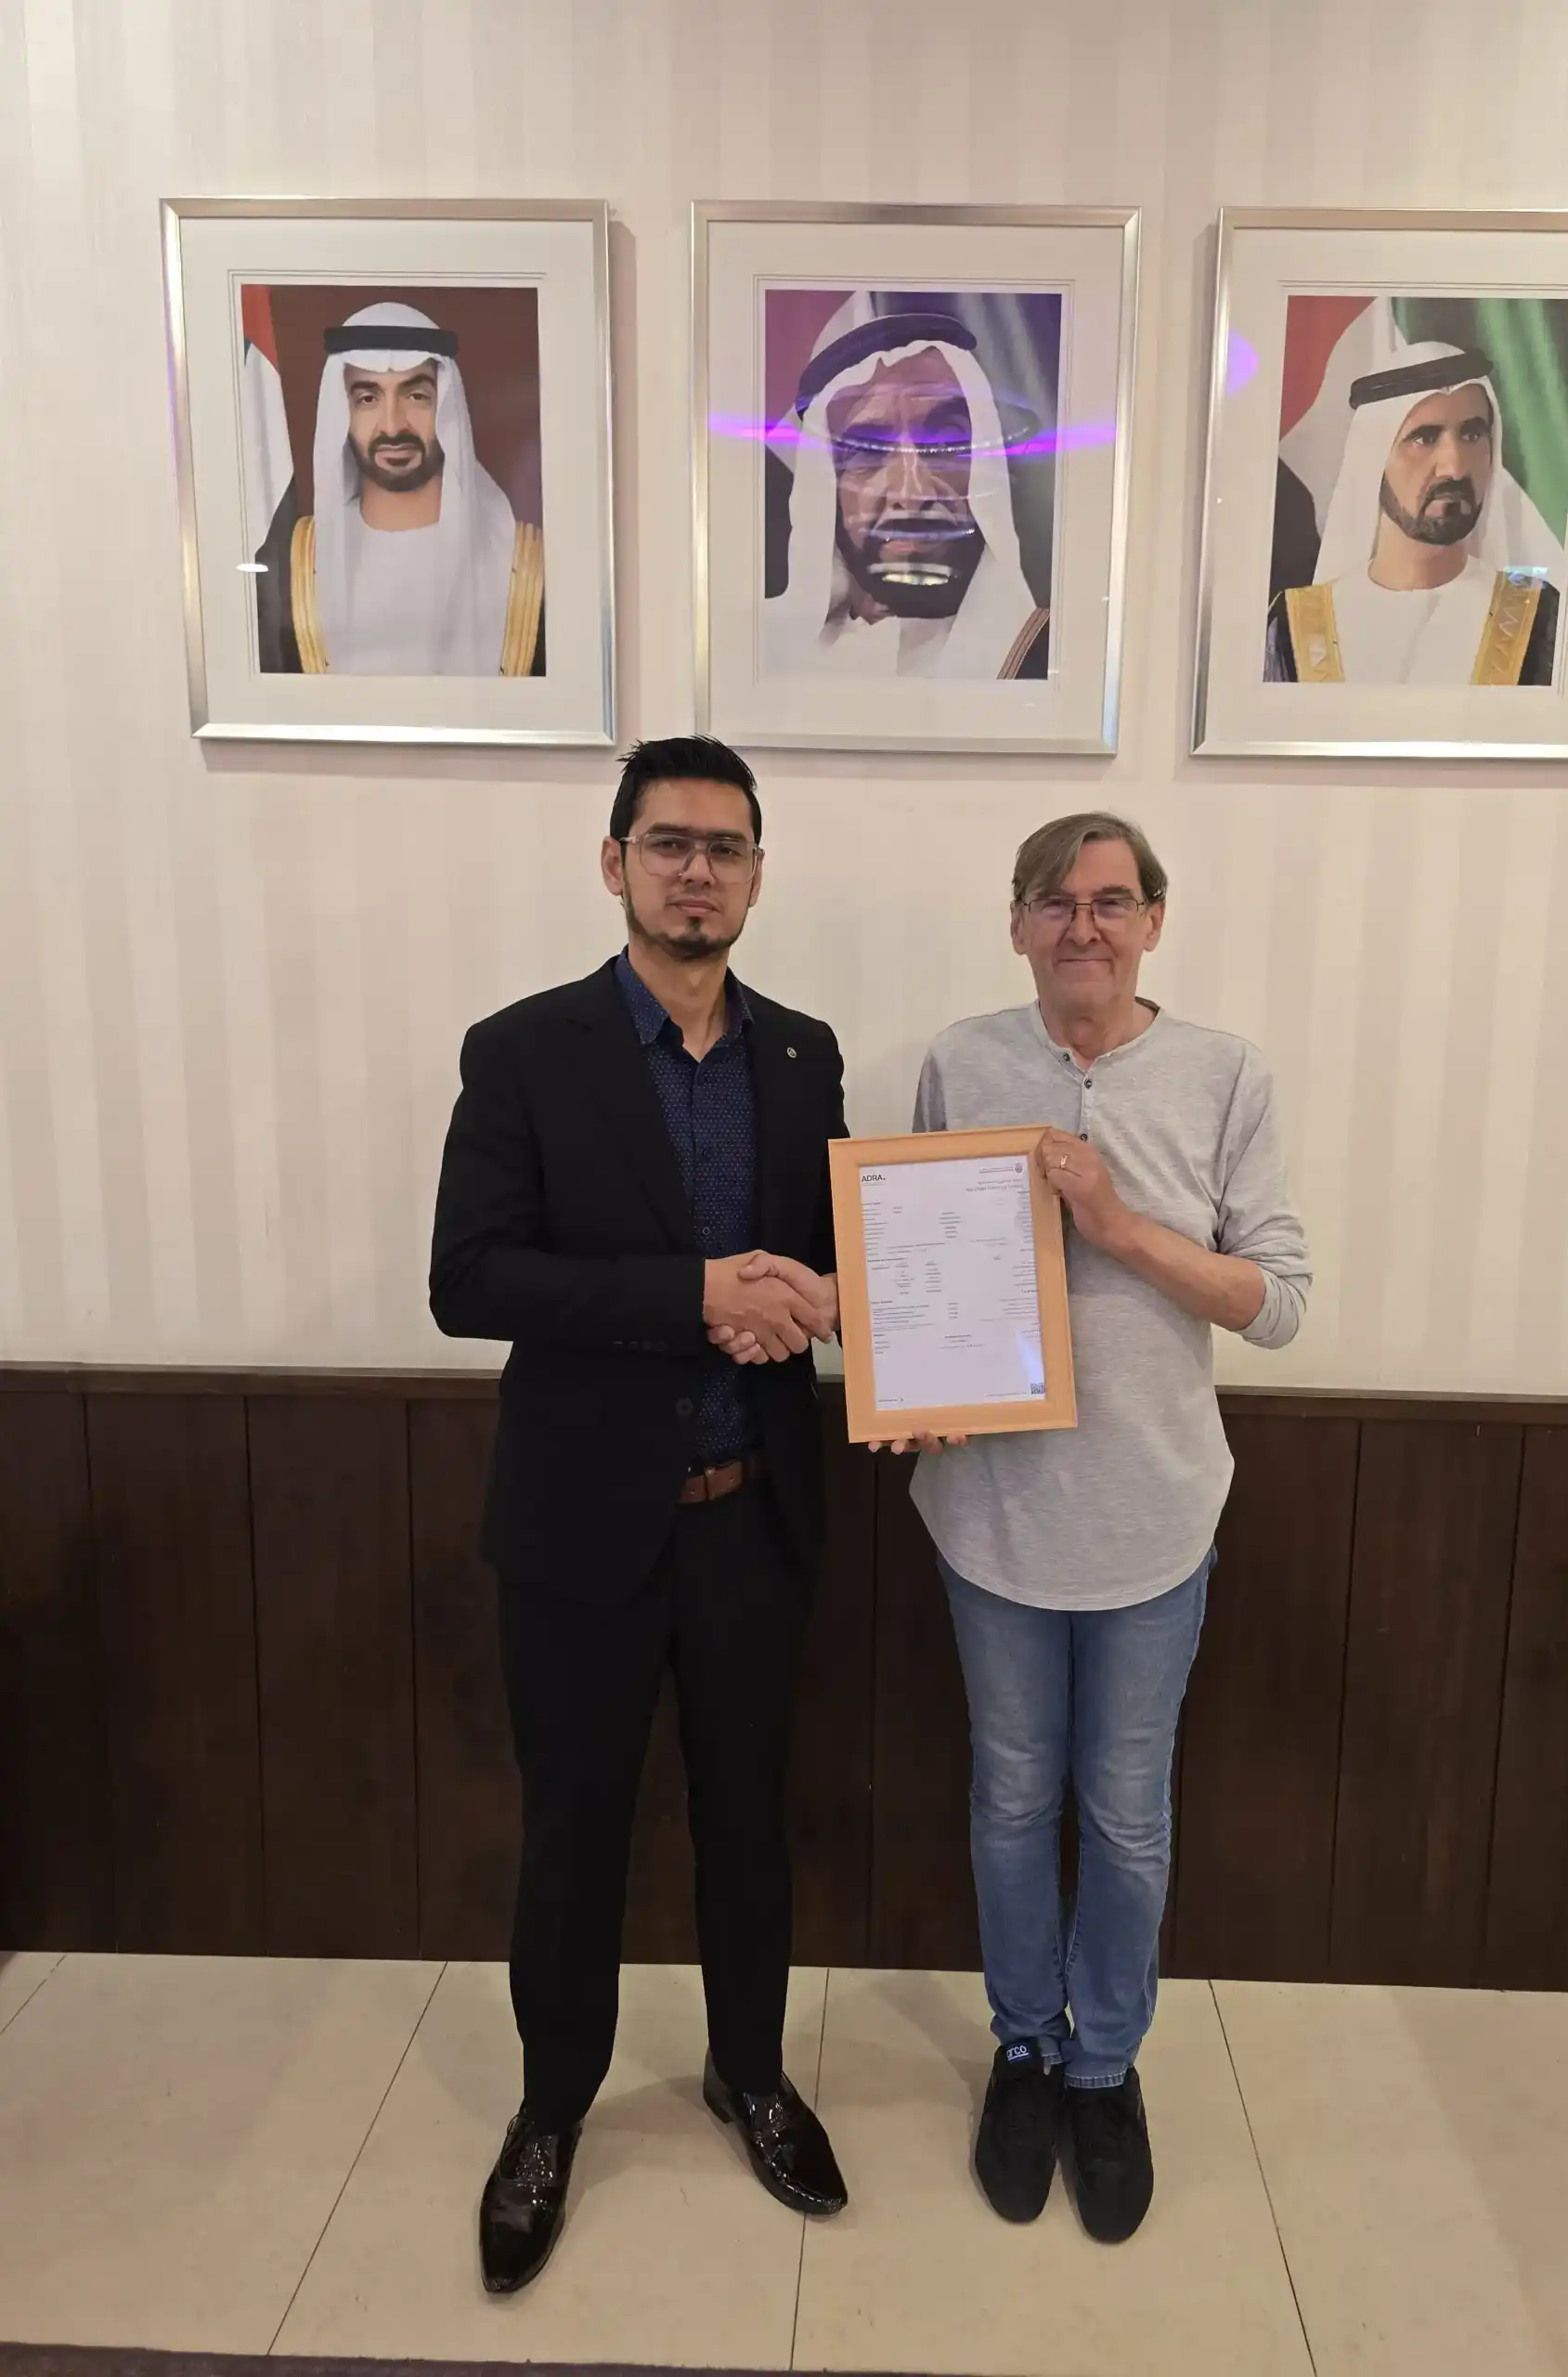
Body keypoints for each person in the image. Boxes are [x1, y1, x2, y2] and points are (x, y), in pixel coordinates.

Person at [429, 734, 849, 2296]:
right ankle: (551, 2111)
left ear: (755, 874)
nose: (698, 872)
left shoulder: (803, 1055)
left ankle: (752, 2074)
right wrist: (693, 1295)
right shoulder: (523, 1050)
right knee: (576, 1834)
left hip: (754, 1517)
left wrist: (884, 1318)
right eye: (668, 843)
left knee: (750, 1823)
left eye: (726, 848)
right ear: (614, 863)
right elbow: (469, 1281)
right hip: (583, 1529)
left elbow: (826, 1260)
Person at [889, 814, 1310, 2243]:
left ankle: (1105, 2065)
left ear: (1153, 921)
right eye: (1055, 903)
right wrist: (916, 1381)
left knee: (1127, 1816)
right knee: (1011, 1798)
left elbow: (1281, 1303)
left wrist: (1120, 1225)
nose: (1085, 925)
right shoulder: (964, 1059)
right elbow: (922, 1265)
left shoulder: (1225, 1074)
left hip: (1154, 1517)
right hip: (993, 1515)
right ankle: (1023, 2047)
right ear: (1017, 926)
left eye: (1112, 901)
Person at [764, 292, 1050, 682]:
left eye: (946, 442)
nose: (911, 492)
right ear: (824, 485)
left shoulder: (1042, 658)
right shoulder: (763, 658)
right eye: (867, 452)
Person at [256, 300, 544, 676]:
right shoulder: (289, 570)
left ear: (447, 408)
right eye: (368, 399)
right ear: (343, 411)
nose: (392, 426)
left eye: (416, 396)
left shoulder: (526, 566)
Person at [1264, 343, 1560, 686]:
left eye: (1472, 434)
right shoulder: (1293, 628)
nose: (1453, 467)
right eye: (1424, 438)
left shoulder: (1538, 617)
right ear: (1375, 458)